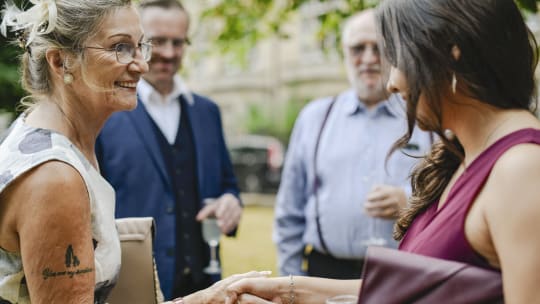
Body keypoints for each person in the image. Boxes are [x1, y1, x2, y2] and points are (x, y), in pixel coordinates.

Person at [223, 0, 540, 303]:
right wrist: (289, 291)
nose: (392, 82)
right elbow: (420, 291)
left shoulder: (521, 169)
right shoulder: (464, 154)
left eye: (398, 58)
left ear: (451, 53)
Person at [95, 0, 243, 300]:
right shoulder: (106, 112)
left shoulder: (207, 112)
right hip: (135, 287)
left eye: (178, 42)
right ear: (138, 43)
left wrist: (231, 202)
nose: (169, 53)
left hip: (206, 284)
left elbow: (228, 184)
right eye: (158, 41)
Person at [273, 9, 432, 279]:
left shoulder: (425, 117)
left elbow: (452, 195)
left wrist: (410, 199)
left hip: (403, 274)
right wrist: (291, 281)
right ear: (345, 53)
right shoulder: (315, 118)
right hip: (325, 273)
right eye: (358, 48)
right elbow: (290, 212)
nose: (368, 59)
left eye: (379, 48)